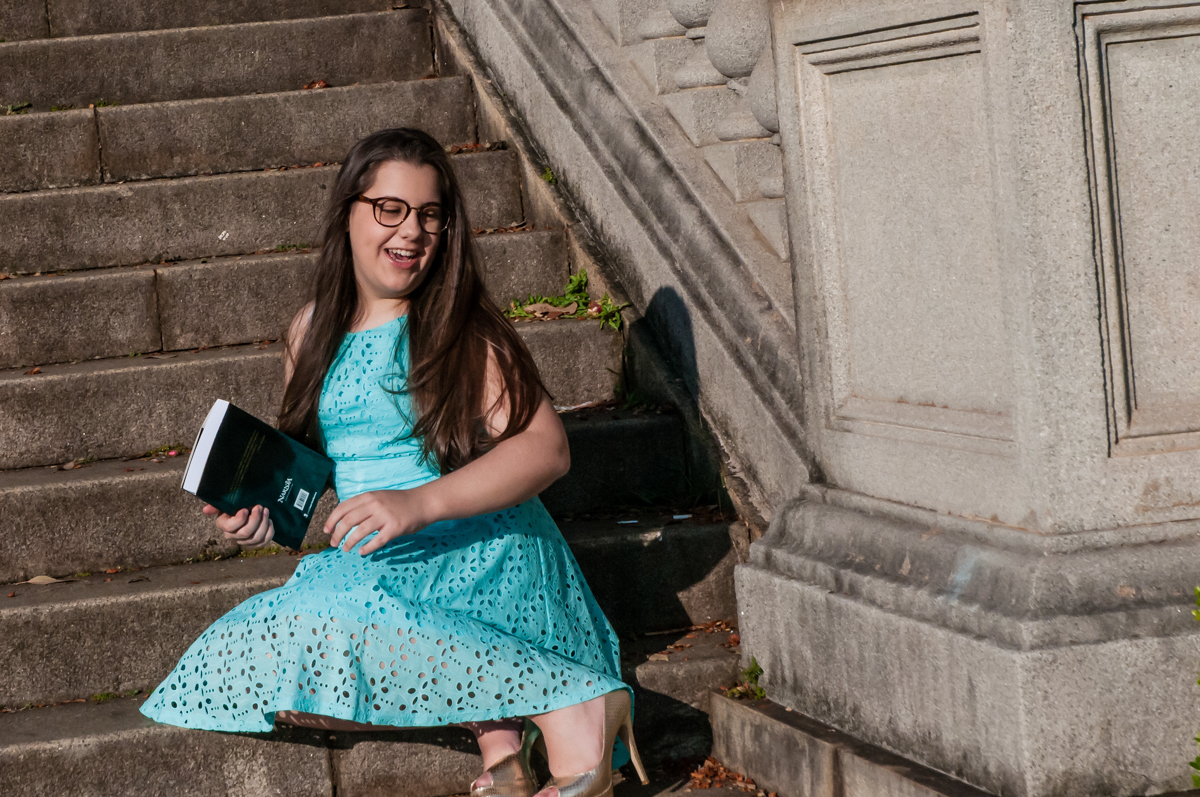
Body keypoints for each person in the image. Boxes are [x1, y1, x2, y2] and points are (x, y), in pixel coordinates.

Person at [140, 128, 647, 797]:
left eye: (429, 214)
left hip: (482, 553)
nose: (411, 230)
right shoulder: (308, 331)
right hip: (377, 567)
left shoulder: (458, 326)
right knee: (245, 656)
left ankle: (568, 706)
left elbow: (547, 448)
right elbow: (309, 473)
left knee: (326, 607)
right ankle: (499, 727)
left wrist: (418, 503)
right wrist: (255, 516)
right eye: (390, 209)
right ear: (348, 211)